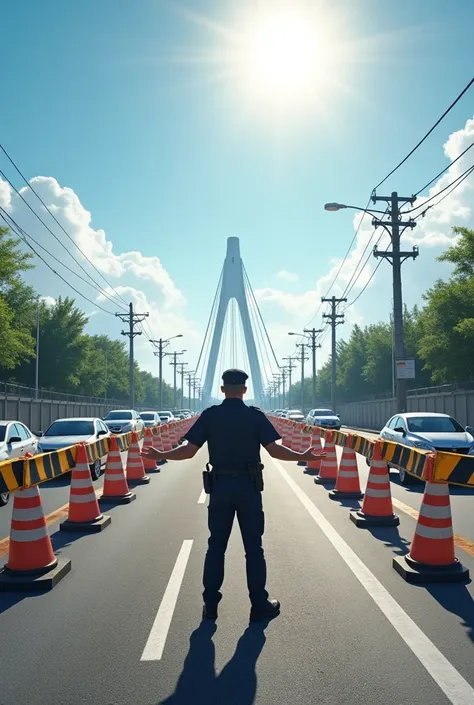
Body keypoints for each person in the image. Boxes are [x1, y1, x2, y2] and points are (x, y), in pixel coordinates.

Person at [141, 368, 325, 622]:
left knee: (216, 547)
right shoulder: (255, 417)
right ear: (245, 390)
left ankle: (210, 605)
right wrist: (302, 456)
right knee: (254, 549)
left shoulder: (210, 416)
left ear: (223, 389)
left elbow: (188, 451)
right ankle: (259, 605)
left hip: (220, 488)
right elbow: (275, 450)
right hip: (249, 488)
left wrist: (159, 454)